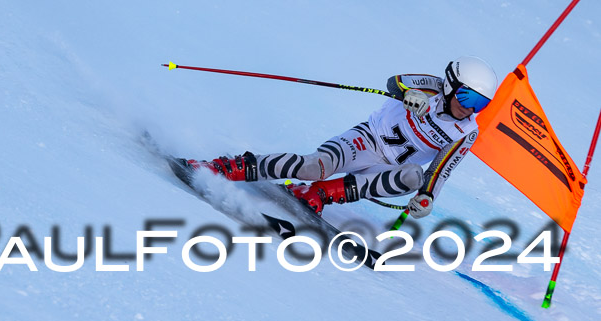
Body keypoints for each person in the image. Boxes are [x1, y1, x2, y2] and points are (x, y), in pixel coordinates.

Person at [185, 56, 498, 218]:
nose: (469, 108)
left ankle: (317, 195)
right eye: (467, 96)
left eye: (481, 103)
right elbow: (396, 82)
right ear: (451, 83)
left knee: (415, 177)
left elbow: (439, 171)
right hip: (366, 140)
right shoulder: (430, 84)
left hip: (385, 170)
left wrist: (427, 198)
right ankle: (225, 167)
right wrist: (409, 94)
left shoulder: (466, 131)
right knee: (314, 167)